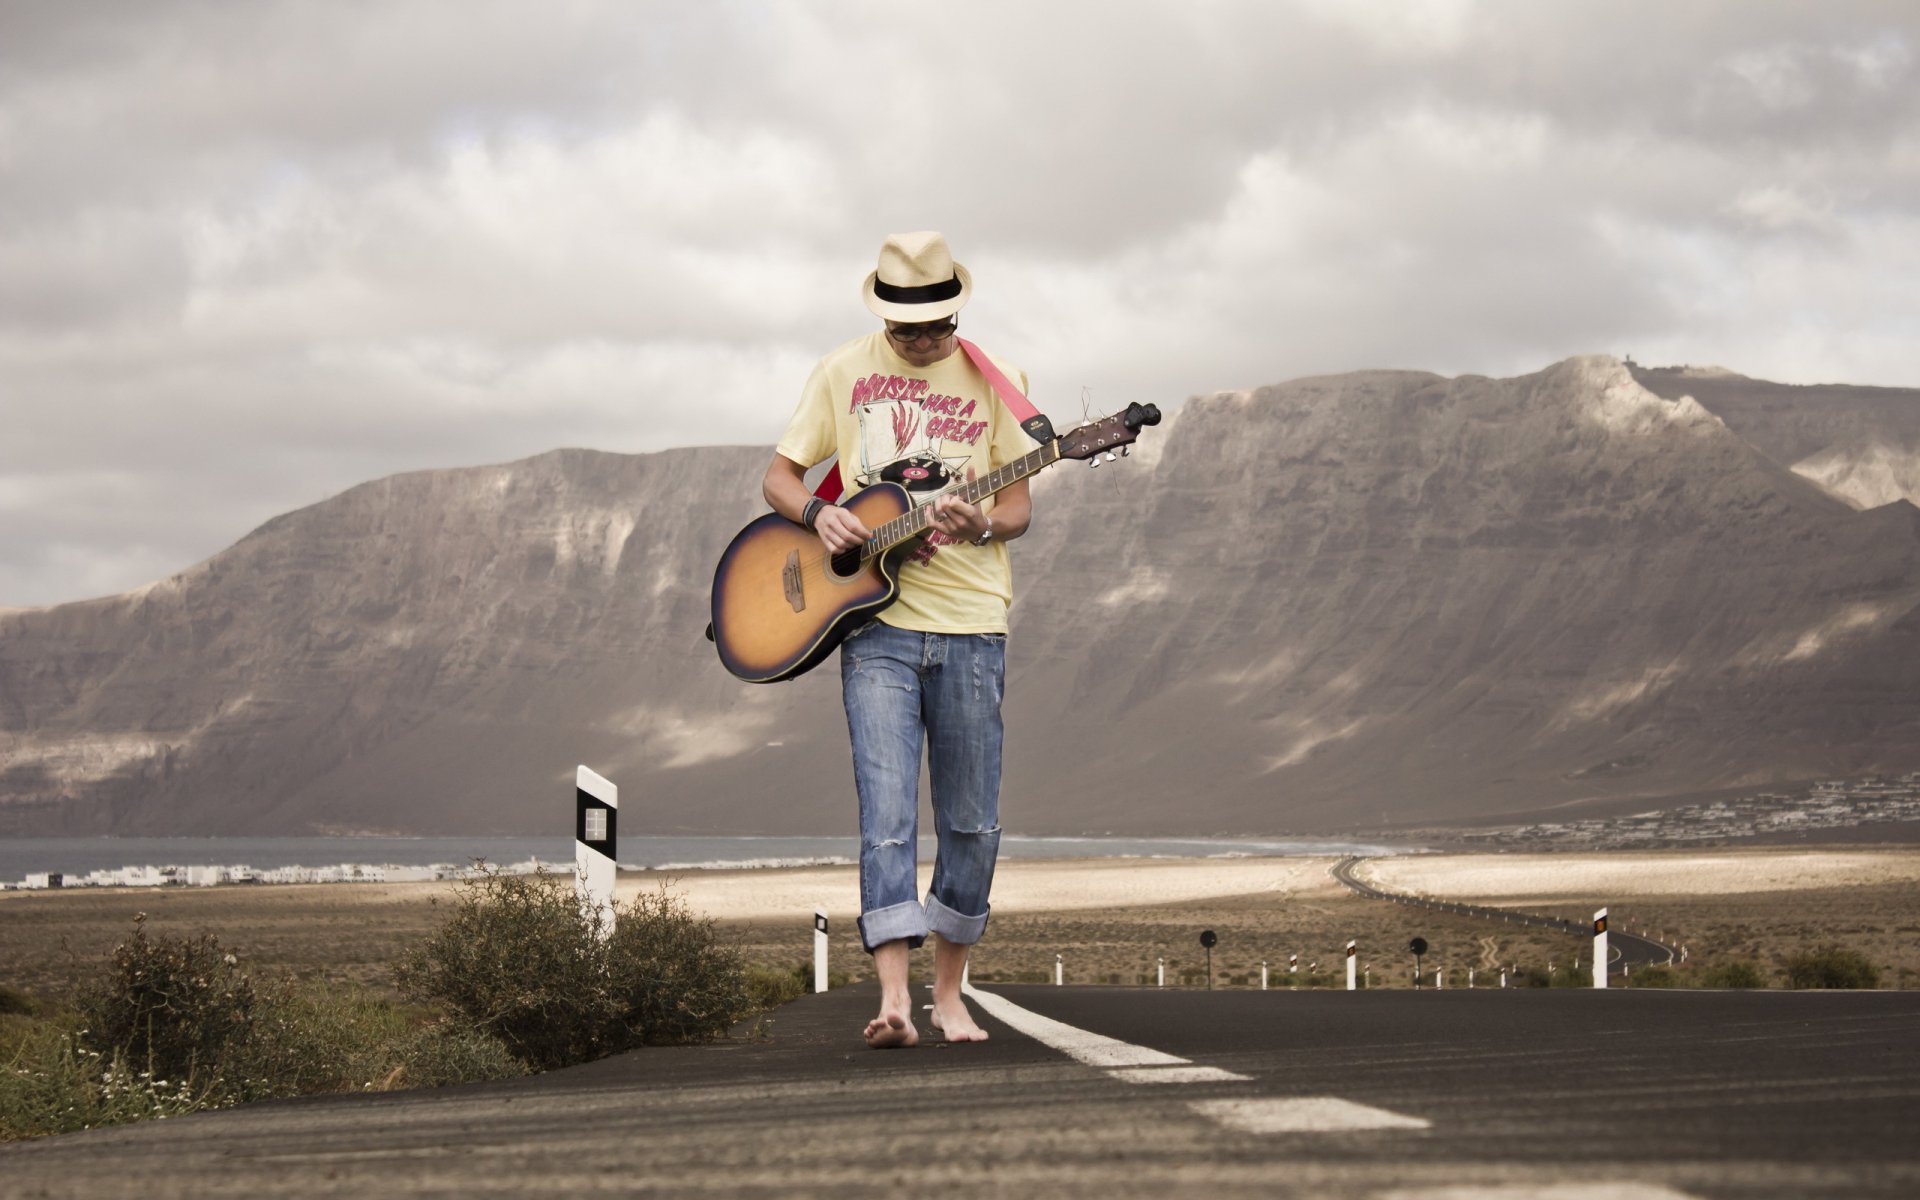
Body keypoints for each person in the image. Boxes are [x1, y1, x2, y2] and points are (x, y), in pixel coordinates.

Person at [762, 231, 1033, 1048]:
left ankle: (950, 992)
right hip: (876, 625)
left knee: (972, 821)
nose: (924, 342)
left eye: (938, 326)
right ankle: (892, 1001)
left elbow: (1018, 510)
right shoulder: (841, 372)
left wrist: (981, 520)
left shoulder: (1000, 383)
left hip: (973, 626)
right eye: (908, 329)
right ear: (883, 315)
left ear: (957, 310)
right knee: (885, 814)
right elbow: (779, 477)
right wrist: (819, 513)